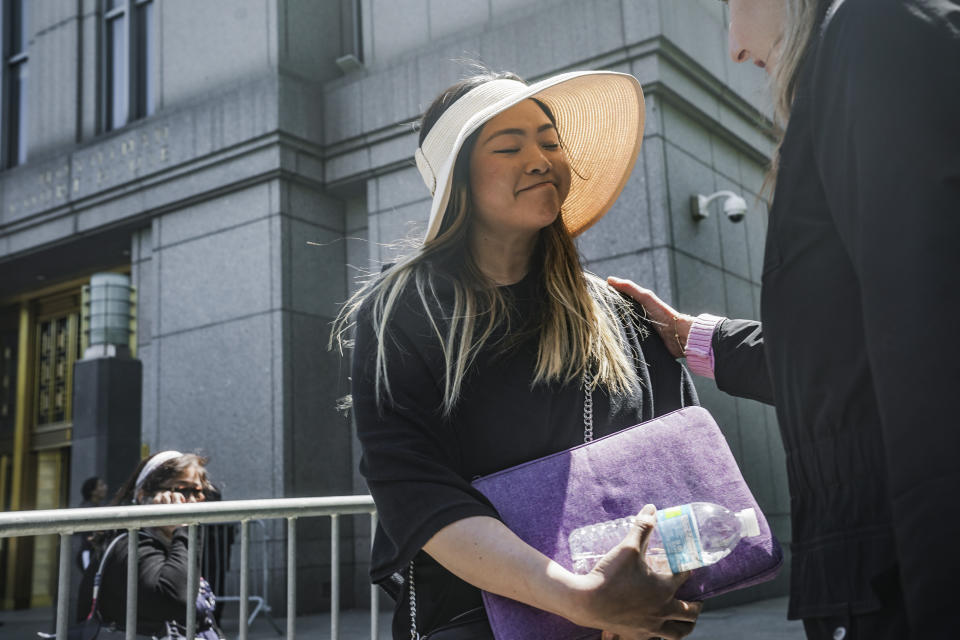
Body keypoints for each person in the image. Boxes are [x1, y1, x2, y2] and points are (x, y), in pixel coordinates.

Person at [609, 1, 960, 638]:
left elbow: (930, 343)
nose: (736, 49)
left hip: (907, 571)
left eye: (729, 5)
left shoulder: (872, 31)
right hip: (870, 571)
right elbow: (851, 349)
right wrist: (694, 339)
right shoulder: (854, 54)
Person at [335, 69, 715, 640]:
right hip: (474, 622)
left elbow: (682, 468)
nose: (540, 159)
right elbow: (414, 488)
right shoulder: (402, 311)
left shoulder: (622, 314)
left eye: (551, 141)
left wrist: (666, 588)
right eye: (509, 146)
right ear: (458, 181)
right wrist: (580, 600)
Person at [77, 451, 226, 640]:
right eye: (182, 490)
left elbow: (204, 622)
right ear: (143, 495)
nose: (193, 500)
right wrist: (184, 526)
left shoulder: (171, 541)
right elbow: (172, 600)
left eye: (199, 491)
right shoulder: (130, 546)